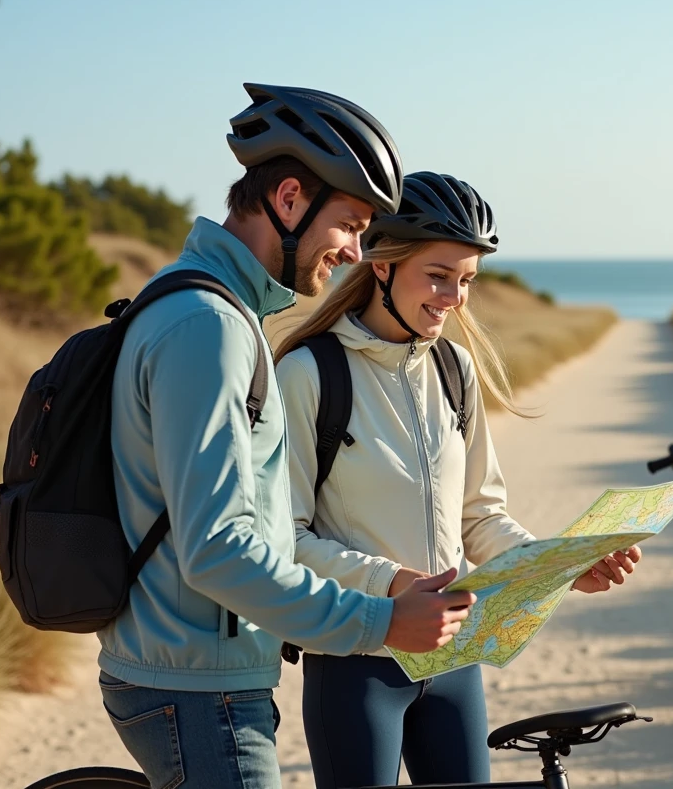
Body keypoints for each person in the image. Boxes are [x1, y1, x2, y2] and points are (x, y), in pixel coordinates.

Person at [98, 84, 475, 789]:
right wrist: (380, 623)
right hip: (194, 685)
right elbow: (216, 551)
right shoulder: (206, 328)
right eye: (353, 225)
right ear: (291, 199)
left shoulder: (217, 310)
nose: (358, 252)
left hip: (205, 673)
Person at [273, 171, 643, 788]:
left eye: (466, 280)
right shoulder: (311, 374)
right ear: (383, 266)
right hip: (356, 661)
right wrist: (393, 584)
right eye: (439, 275)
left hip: (454, 659)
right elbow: (285, 538)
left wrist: (560, 565)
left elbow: (481, 517)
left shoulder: (453, 368)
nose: (454, 297)